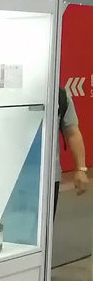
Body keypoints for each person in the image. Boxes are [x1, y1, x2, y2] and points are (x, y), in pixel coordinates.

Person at [56, 85, 87, 216]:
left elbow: (73, 133)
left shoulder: (60, 96)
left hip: (49, 177)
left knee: (44, 224)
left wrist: (81, 169)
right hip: (8, 172)